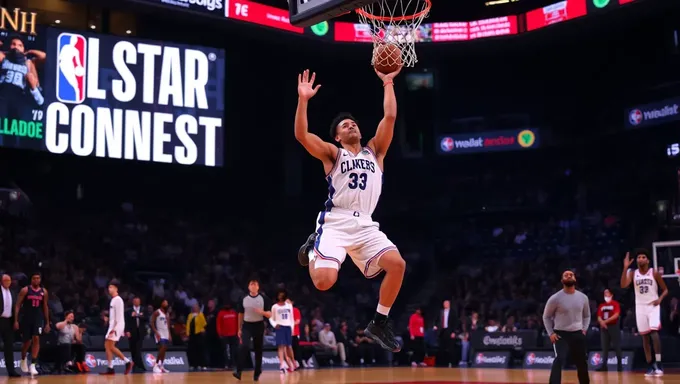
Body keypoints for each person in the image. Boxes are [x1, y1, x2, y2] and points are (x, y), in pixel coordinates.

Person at [294, 68, 406, 353]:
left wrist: (388, 81)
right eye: (344, 125)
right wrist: (303, 100)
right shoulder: (334, 154)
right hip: (336, 221)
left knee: (398, 265)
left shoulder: (375, 151)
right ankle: (312, 249)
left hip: (366, 224)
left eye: (353, 123)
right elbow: (302, 135)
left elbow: (390, 117)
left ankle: (379, 322)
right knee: (323, 282)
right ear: (337, 137)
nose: (351, 126)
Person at [621, 249, 669, 376]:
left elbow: (665, 290)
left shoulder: (654, 272)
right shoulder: (633, 273)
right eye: (639, 257)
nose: (641, 259)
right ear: (636, 261)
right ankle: (651, 365)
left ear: (647, 260)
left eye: (643, 257)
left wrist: (660, 299)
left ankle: (659, 363)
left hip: (653, 306)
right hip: (640, 307)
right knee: (645, 337)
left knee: (654, 333)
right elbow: (623, 285)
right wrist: (625, 268)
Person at [542, 270, 590, 384]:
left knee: (582, 362)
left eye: (571, 274)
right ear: (562, 280)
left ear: (575, 279)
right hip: (560, 334)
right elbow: (546, 317)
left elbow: (587, 316)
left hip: (578, 333)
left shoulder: (583, 297)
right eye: (566, 275)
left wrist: (584, 329)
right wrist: (551, 333)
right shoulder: (555, 298)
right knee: (559, 359)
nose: (569, 276)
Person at [234, 279, 271, 381]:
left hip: (258, 325)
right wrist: (239, 328)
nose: (253, 286)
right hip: (247, 325)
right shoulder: (243, 298)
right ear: (248, 287)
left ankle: (257, 372)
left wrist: (261, 312)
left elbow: (269, 314)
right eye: (251, 284)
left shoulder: (264, 298)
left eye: (255, 284)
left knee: (258, 349)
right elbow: (240, 314)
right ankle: (238, 371)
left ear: (258, 287)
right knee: (243, 346)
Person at [14, 272, 50, 377]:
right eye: (34, 278)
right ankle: (23, 358)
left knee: (36, 338)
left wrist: (47, 322)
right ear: (31, 279)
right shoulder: (25, 290)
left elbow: (45, 307)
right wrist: (16, 320)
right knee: (27, 342)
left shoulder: (44, 292)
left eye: (38, 278)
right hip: (26, 318)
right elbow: (17, 305)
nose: (36, 280)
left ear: (40, 279)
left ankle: (33, 364)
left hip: (38, 318)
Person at [100, 280, 133, 375]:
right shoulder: (113, 300)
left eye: (111, 287)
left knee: (110, 346)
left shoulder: (118, 300)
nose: (109, 289)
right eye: (108, 287)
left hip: (117, 326)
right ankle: (110, 368)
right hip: (113, 325)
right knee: (107, 346)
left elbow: (118, 316)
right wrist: (107, 318)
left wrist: (113, 329)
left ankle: (127, 362)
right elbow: (113, 316)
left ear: (116, 288)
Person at [269, 289, 296, 373]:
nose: (281, 296)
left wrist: (292, 328)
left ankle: (293, 361)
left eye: (282, 295)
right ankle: (282, 364)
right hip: (280, 327)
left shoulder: (289, 306)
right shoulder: (274, 306)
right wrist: (274, 324)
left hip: (288, 327)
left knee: (289, 346)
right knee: (281, 346)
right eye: (279, 295)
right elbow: (271, 318)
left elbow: (292, 318)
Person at [596, 289, 622, 372]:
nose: (605, 294)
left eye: (607, 292)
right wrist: (601, 322)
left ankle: (620, 366)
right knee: (604, 347)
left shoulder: (615, 304)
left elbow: (616, 315)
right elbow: (599, 316)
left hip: (613, 326)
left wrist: (605, 322)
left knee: (616, 346)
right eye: (604, 293)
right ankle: (604, 366)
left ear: (611, 294)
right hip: (604, 327)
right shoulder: (601, 305)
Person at [0, 274, 20, 377]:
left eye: (9, 280)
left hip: (9, 321)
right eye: (5, 280)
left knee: (9, 347)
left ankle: (11, 371)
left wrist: (16, 321)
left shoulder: (13, 292)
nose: (7, 282)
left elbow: (15, 308)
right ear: (1, 281)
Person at [125, 296, 147, 372]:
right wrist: (127, 331)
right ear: (133, 302)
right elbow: (126, 321)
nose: (136, 302)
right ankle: (135, 365)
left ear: (140, 302)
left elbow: (146, 318)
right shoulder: (128, 311)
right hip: (132, 332)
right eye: (135, 301)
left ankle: (140, 366)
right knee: (132, 349)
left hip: (140, 332)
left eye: (138, 301)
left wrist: (138, 315)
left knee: (138, 349)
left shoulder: (143, 309)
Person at [150, 299, 171, 373]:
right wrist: (156, 332)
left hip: (166, 333)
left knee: (164, 349)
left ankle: (162, 366)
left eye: (167, 302)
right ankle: (155, 365)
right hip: (159, 332)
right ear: (161, 303)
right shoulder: (157, 312)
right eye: (165, 302)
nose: (166, 303)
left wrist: (169, 334)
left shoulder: (167, 313)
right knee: (162, 348)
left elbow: (168, 325)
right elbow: (151, 322)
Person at [217, 303, 239, 369]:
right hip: (225, 335)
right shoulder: (221, 313)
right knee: (226, 350)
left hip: (234, 334)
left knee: (233, 350)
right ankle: (226, 364)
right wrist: (220, 333)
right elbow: (218, 324)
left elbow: (238, 322)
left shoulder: (234, 312)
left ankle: (233, 364)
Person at [186, 303, 207, 371]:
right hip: (192, 335)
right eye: (194, 307)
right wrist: (187, 333)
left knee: (200, 350)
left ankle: (202, 364)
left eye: (196, 307)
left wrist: (202, 330)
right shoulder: (190, 315)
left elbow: (204, 324)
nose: (195, 308)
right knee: (192, 350)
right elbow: (188, 324)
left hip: (198, 334)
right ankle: (192, 365)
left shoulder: (201, 315)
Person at [289, 298, 302, 370]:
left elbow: (298, 321)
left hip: (295, 333)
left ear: (292, 302)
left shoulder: (295, 310)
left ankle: (298, 363)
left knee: (296, 349)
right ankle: (290, 363)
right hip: (287, 333)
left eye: (288, 301)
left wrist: (290, 324)